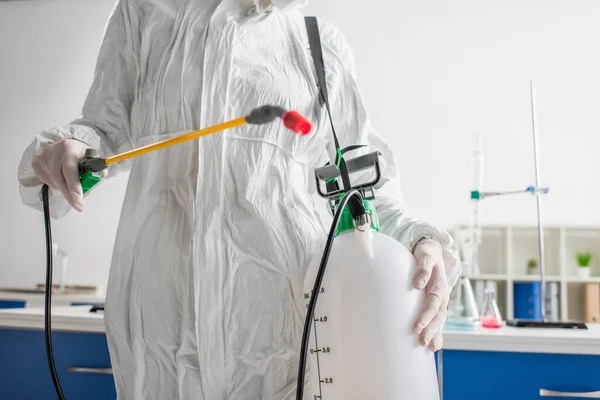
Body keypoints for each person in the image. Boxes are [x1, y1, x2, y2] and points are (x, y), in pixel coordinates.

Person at [17, 0, 461, 398]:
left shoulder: (317, 44)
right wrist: (69, 151)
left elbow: (365, 189)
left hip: (282, 338)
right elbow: (102, 131)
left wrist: (420, 240)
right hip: (159, 333)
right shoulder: (145, 13)